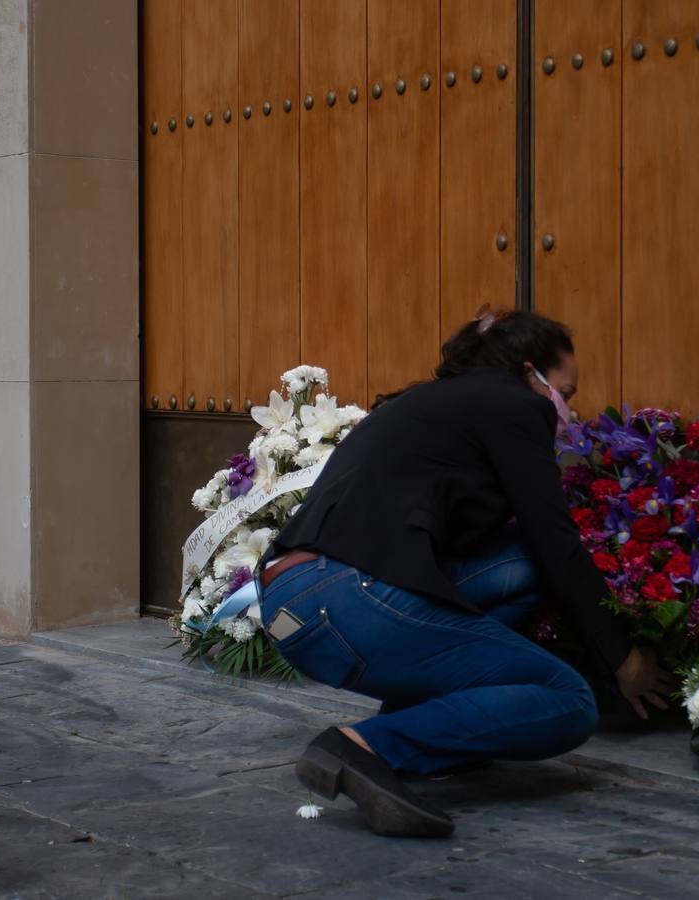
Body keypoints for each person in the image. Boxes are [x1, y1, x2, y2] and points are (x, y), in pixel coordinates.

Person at [256, 307, 673, 837]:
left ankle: (430, 726)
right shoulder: (516, 405)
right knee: (568, 700)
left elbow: (523, 554)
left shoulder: (430, 403)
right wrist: (622, 657)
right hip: (350, 600)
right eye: (566, 392)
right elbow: (557, 542)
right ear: (529, 373)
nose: (568, 410)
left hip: (294, 601)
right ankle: (363, 747)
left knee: (521, 566)